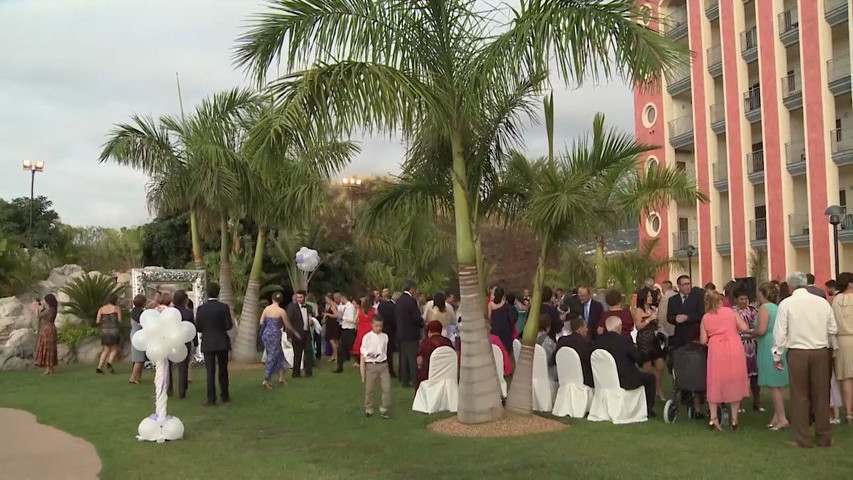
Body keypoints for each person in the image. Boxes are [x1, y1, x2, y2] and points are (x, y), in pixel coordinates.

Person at [773, 272, 838, 448]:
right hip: (820, 350)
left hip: (798, 351)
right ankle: (824, 437)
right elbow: (832, 328)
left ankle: (802, 438)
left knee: (800, 395)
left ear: (791, 286)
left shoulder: (787, 304)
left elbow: (780, 332)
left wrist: (777, 355)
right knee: (821, 394)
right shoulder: (822, 302)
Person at [700, 289, 750, 431]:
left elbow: (703, 340)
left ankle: (713, 418)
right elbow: (745, 327)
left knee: (715, 381)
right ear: (720, 300)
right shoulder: (730, 312)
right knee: (734, 379)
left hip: (716, 348)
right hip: (734, 346)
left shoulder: (705, 317)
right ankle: (734, 419)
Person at [594, 316, 656, 417]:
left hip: (603, 380)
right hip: (625, 380)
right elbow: (638, 358)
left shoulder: (598, 342)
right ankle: (648, 410)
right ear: (619, 327)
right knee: (650, 378)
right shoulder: (624, 340)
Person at [755, 283, 789, 430]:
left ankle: (782, 418)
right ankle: (777, 417)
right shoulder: (778, 307)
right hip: (780, 343)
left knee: (774, 385)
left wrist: (750, 332)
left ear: (762, 293)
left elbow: (762, 329)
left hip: (769, 344)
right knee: (778, 384)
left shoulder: (764, 308)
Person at [196, 283, 233, 406]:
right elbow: (229, 325)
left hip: (208, 342)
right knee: (223, 370)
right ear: (218, 293)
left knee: (210, 371)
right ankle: (225, 395)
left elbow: (199, 327)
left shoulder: (201, 309)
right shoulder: (224, 307)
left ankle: (211, 398)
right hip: (222, 341)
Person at [634, 287, 666, 401]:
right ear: (643, 297)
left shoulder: (654, 308)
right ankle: (648, 392)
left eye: (651, 296)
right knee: (647, 368)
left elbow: (657, 323)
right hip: (644, 340)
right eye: (648, 296)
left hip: (654, 339)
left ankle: (659, 388)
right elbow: (638, 326)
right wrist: (649, 319)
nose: (650, 298)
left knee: (660, 366)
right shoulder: (639, 310)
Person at [732, 288, 762, 412]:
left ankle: (757, 401)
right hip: (738, 344)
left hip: (753, 345)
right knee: (740, 374)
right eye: (741, 299)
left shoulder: (754, 311)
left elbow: (759, 325)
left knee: (755, 375)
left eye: (746, 299)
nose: (744, 301)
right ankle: (740, 403)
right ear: (735, 300)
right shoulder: (732, 312)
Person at [260, 292, 295, 389]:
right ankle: (266, 379)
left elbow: (261, 321)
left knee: (279, 355)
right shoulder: (281, 311)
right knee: (272, 356)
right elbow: (287, 324)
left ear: (272, 299)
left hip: (266, 334)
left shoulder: (267, 309)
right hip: (275, 335)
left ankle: (282, 377)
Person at [361, 315, 391, 419]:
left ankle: (384, 407)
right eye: (376, 326)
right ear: (372, 325)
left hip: (383, 365)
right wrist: (369, 353)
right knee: (369, 389)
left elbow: (385, 350)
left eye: (380, 326)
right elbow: (363, 349)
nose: (378, 328)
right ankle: (368, 407)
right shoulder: (367, 337)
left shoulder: (385, 337)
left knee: (386, 387)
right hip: (371, 365)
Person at [832, 272, 853, 424]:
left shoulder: (836, 300)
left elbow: (833, 323)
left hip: (843, 340)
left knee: (846, 378)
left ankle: (848, 412)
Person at [396, 280, 424, 388]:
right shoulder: (411, 301)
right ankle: (414, 379)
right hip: (411, 334)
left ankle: (404, 380)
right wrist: (422, 322)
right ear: (411, 288)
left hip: (401, 333)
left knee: (404, 358)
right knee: (412, 358)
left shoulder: (399, 301)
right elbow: (416, 317)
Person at [168, 290, 195, 399]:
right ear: (185, 300)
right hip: (184, 341)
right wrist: (196, 342)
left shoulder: (170, 313)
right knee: (183, 365)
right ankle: (182, 390)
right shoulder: (188, 313)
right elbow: (192, 328)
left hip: (171, 340)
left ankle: (169, 388)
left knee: (168, 366)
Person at [554, 313, 594, 388]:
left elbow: (554, 359)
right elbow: (589, 362)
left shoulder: (561, 341)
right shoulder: (585, 344)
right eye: (585, 327)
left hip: (563, 379)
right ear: (580, 328)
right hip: (582, 381)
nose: (587, 329)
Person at [667, 275, 705, 349]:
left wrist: (687, 317)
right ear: (679, 286)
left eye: (689, 284)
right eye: (685, 284)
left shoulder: (698, 298)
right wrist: (675, 319)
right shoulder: (673, 300)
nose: (688, 286)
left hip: (694, 335)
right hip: (679, 336)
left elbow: (702, 314)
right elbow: (669, 317)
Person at [416, 320, 453, 388]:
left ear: (429, 331)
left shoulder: (426, 343)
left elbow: (419, 361)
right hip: (447, 377)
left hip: (429, 376)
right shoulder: (448, 342)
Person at [286, 290, 314, 378]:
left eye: (301, 297)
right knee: (297, 354)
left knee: (308, 353)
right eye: (297, 297)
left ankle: (308, 373)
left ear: (305, 297)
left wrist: (311, 322)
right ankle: (296, 373)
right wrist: (289, 335)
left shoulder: (309, 307)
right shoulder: (292, 307)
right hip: (296, 334)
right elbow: (288, 322)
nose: (299, 299)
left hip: (307, 333)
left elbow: (310, 319)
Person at [95, 294, 122, 374]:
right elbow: (120, 320)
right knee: (114, 349)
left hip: (104, 331)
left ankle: (99, 367)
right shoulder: (117, 308)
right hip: (114, 330)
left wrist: (104, 322)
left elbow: (97, 321)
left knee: (105, 350)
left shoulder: (101, 309)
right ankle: (109, 362)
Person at [33, 294, 58, 376]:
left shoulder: (49, 310)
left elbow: (38, 316)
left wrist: (36, 306)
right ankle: (51, 367)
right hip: (52, 328)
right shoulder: (53, 309)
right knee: (51, 348)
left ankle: (48, 369)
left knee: (46, 348)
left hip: (47, 330)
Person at [334, 294, 358, 373]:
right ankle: (339, 367)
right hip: (345, 330)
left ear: (343, 298)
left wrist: (342, 317)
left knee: (354, 350)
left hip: (349, 331)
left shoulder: (350, 307)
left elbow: (352, 319)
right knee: (340, 349)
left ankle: (362, 363)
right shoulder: (346, 307)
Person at [377, 291, 399, 377]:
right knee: (389, 352)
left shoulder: (382, 305)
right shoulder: (394, 307)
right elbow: (395, 320)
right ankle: (390, 370)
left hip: (382, 329)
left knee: (383, 350)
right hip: (391, 332)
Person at [488, 287, 515, 353]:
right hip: (506, 332)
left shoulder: (490, 305)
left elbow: (489, 317)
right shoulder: (507, 305)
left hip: (495, 330)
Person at [352, 295, 376, 366]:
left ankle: (362, 363)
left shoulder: (360, 310)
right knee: (371, 346)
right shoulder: (374, 310)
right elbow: (377, 320)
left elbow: (355, 320)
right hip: (370, 330)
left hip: (361, 330)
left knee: (361, 347)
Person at [128, 294, 147, 384]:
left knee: (141, 358)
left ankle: (138, 377)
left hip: (135, 334)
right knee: (139, 359)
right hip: (138, 335)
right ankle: (133, 378)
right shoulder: (139, 313)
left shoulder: (134, 311)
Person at [536, 314, 557, 381]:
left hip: (533, 370)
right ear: (547, 327)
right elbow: (550, 361)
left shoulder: (531, 337)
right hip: (547, 373)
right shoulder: (547, 342)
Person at [323, 293, 341, 363]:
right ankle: (333, 355)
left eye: (326, 299)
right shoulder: (328, 305)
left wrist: (328, 314)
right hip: (329, 324)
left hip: (333, 324)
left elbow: (336, 315)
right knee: (332, 340)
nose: (326, 300)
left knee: (332, 341)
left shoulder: (333, 306)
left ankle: (336, 356)